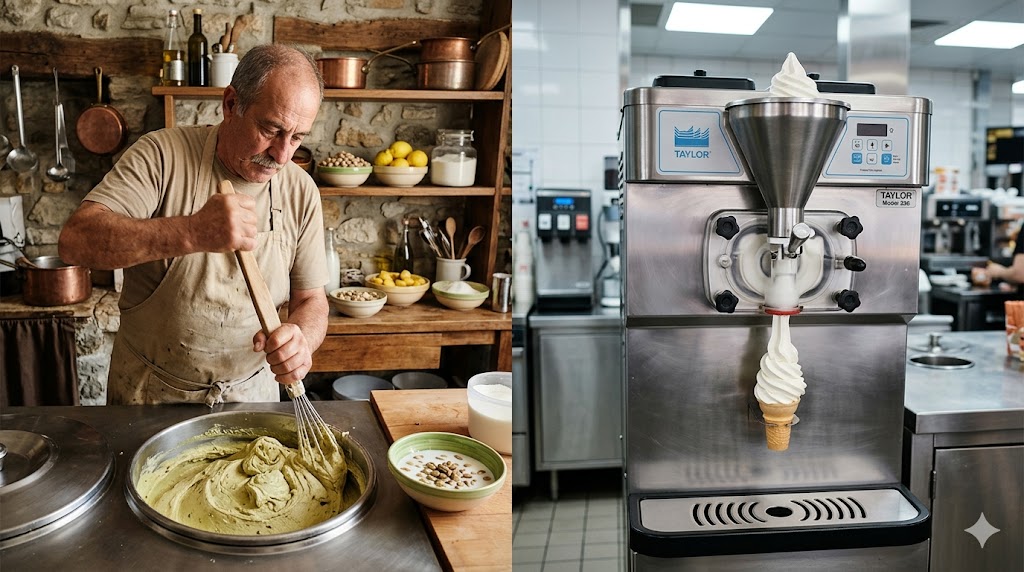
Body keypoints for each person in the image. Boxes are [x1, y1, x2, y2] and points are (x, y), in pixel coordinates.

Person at [58, 44, 329, 406]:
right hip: (150, 395)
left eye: (296, 138)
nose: (282, 155)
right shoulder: (161, 156)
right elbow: (75, 241)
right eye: (270, 129)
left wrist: (303, 338)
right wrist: (191, 232)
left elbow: (312, 299)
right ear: (231, 103)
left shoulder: (301, 190)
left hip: (250, 396)